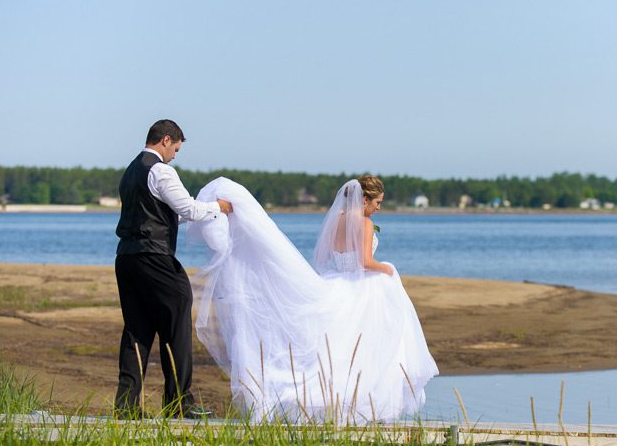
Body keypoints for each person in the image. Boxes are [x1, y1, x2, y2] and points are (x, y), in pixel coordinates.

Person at [187, 175, 438, 423]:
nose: (379, 208)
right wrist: (387, 269)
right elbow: (364, 262)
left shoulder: (337, 220)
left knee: (337, 349)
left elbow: (327, 253)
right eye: (377, 202)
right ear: (364, 200)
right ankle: (359, 405)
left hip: (336, 280)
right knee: (367, 349)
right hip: (360, 287)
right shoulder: (364, 223)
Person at [114, 119, 232, 419]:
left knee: (137, 330)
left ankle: (126, 407)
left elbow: (160, 215)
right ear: (165, 140)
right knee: (177, 318)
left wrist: (191, 216)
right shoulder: (161, 170)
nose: (175, 155)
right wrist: (218, 207)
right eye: (176, 148)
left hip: (127, 257)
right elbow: (189, 209)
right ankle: (180, 401)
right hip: (155, 257)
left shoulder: (131, 171)